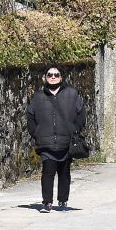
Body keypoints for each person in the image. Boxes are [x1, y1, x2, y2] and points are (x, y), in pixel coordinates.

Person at [26, 64, 86, 213]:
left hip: (66, 141)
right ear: (45, 77)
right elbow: (30, 116)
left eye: (56, 74)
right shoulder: (38, 96)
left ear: (61, 77)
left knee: (64, 173)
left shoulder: (72, 94)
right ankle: (47, 203)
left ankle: (63, 200)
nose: (53, 77)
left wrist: (75, 130)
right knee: (48, 171)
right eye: (50, 74)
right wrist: (36, 133)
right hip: (46, 143)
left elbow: (81, 115)